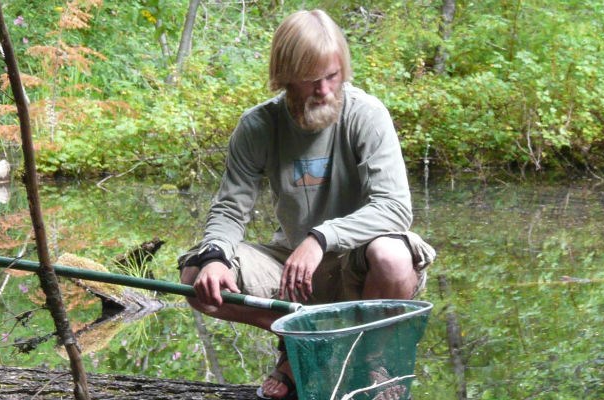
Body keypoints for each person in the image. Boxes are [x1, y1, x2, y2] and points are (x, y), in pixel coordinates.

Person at [178, 9, 435, 400]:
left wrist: (320, 238)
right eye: (312, 81)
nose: (326, 90)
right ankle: (306, 341)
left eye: (333, 77)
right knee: (198, 278)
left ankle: (366, 359)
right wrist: (216, 256)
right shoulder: (258, 126)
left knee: (393, 256)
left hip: (358, 266)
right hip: (291, 273)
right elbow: (230, 210)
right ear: (285, 77)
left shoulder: (366, 115)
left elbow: (394, 208)